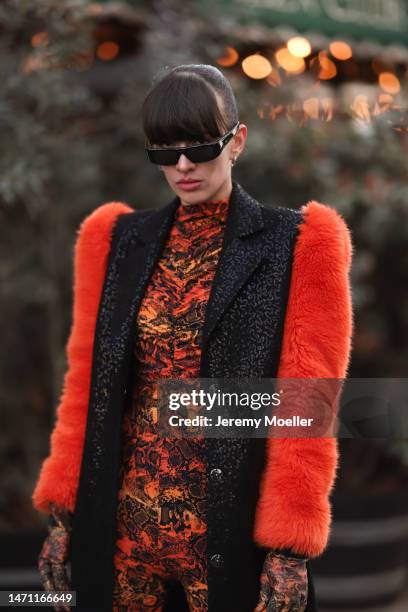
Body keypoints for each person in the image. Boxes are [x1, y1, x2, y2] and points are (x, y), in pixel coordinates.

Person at [32, 64, 354, 612]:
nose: (182, 165)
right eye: (163, 151)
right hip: (121, 531)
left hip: (228, 532)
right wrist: (63, 514)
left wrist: (289, 548)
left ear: (237, 142)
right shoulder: (114, 242)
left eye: (200, 147)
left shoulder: (298, 243)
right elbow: (87, 383)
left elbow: (307, 402)